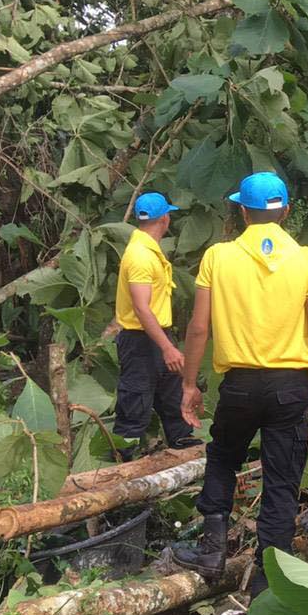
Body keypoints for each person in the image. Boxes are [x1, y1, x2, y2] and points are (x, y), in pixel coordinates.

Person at [175, 172, 308, 602]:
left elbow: (199, 327)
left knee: (222, 458)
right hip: (291, 388)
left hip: (237, 385)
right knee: (281, 482)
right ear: (287, 211)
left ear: (242, 212)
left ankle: (212, 551)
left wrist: (188, 384)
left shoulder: (218, 257)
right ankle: (265, 588)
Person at [113, 192, 197, 458]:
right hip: (141, 339)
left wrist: (166, 343)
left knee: (172, 395)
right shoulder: (140, 255)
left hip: (157, 334)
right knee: (135, 400)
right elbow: (141, 307)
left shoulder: (148, 251)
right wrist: (167, 347)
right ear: (165, 218)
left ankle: (181, 444)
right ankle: (125, 463)